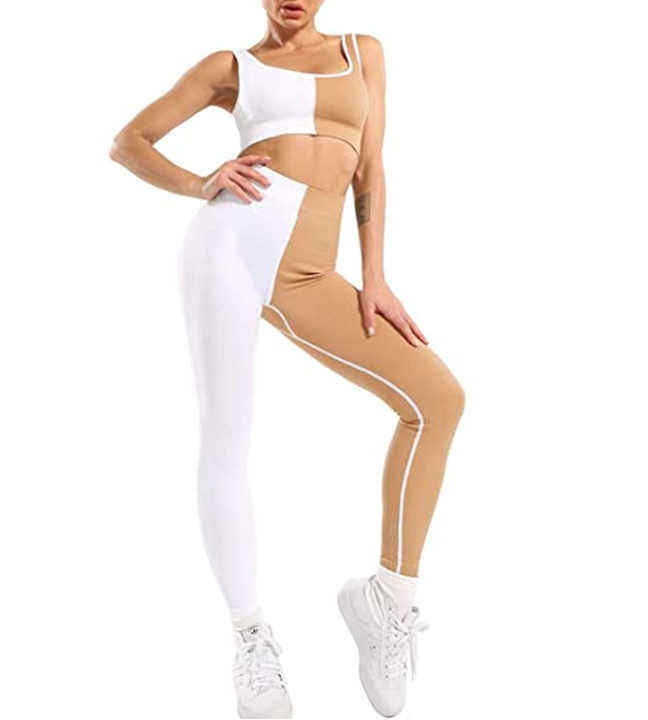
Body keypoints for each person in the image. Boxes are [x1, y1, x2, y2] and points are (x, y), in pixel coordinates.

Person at [110, 1, 464, 717]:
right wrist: (200, 182)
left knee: (437, 401)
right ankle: (252, 641)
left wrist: (375, 277)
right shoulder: (232, 67)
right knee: (226, 440)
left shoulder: (364, 53)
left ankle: (386, 600)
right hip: (229, 250)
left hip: (308, 272)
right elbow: (129, 141)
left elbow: (371, 168)